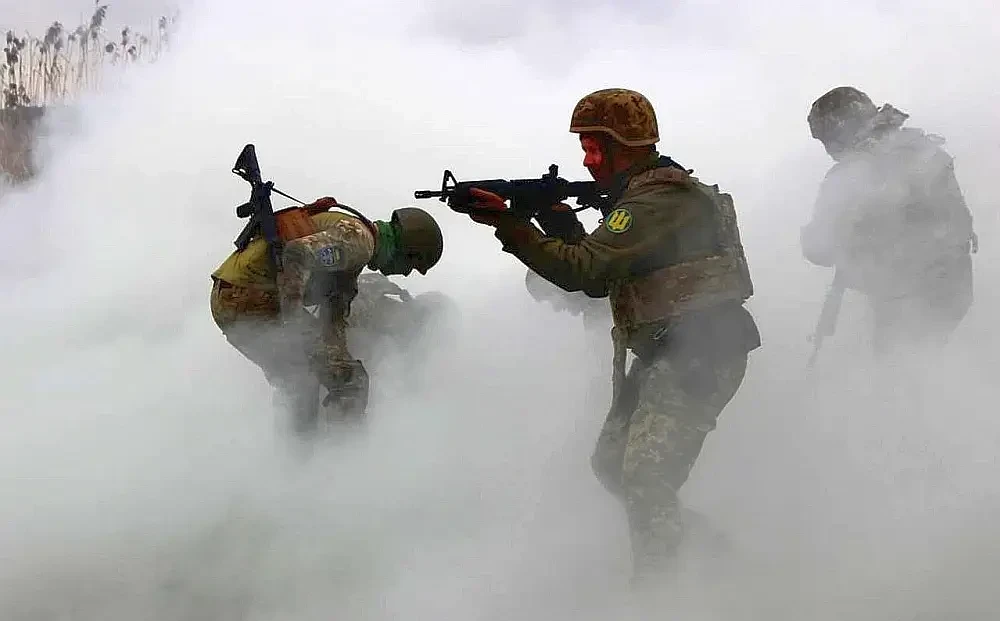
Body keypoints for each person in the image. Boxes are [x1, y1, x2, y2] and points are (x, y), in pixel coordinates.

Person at [462, 88, 761, 583]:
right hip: (668, 349)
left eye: (594, 149)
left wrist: (510, 224)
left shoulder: (659, 199)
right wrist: (558, 220)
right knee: (610, 464)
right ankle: (712, 555)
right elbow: (603, 276)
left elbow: (584, 271)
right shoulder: (641, 198)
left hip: (702, 349)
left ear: (624, 145)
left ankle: (662, 595)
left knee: (646, 476)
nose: (587, 161)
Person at [209, 196, 443, 436]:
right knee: (345, 381)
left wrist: (336, 358)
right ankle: (339, 449)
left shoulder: (354, 256)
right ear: (407, 252)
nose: (406, 273)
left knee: (303, 381)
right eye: (412, 265)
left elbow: (334, 316)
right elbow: (297, 254)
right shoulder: (360, 241)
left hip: (231, 298)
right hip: (250, 296)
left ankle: (298, 449)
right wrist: (293, 325)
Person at [801, 86, 977, 357]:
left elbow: (820, 250)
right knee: (932, 362)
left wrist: (815, 237)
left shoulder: (851, 172)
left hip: (905, 299)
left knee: (901, 371)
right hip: (953, 289)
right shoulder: (921, 147)